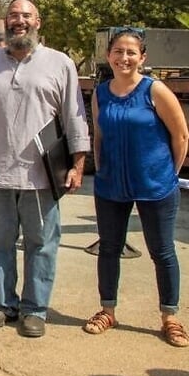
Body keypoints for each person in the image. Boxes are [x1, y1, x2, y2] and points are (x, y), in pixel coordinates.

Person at [0, 0, 90, 338]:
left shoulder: (60, 63)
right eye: (13, 16)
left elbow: (74, 117)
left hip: (42, 175)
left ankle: (35, 309)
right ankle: (4, 305)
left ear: (38, 22)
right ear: (6, 23)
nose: (19, 21)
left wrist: (77, 164)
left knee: (42, 242)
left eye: (25, 16)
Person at [81, 28, 189, 347]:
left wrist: (168, 173)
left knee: (163, 251)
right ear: (108, 56)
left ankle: (170, 317)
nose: (124, 57)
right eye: (118, 51)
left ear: (142, 58)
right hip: (112, 186)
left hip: (156, 186)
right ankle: (107, 310)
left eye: (131, 52)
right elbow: (98, 137)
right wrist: (101, 170)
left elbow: (180, 136)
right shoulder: (101, 93)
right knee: (109, 249)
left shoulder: (155, 90)